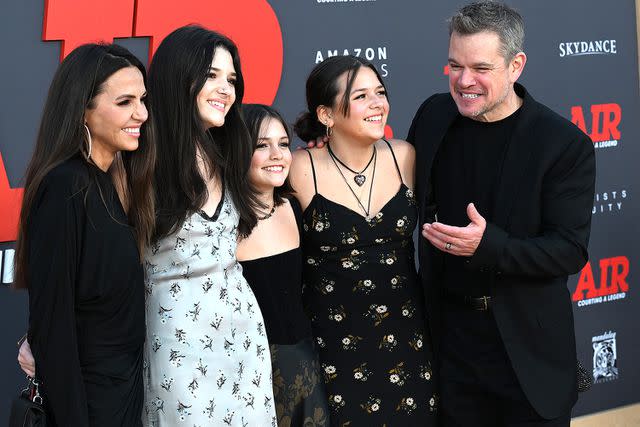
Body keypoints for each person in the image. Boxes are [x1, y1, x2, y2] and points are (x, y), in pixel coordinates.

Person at [409, 2, 596, 426]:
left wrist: (488, 245)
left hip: (525, 357)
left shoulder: (563, 145)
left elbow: (568, 251)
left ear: (516, 66)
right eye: (454, 65)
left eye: (480, 68)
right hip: (449, 348)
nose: (464, 81)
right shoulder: (434, 115)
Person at [290, 56, 437, 426]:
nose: (378, 104)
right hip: (334, 349)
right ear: (326, 115)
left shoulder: (405, 156)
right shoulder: (297, 169)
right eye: (361, 96)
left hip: (409, 341)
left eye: (381, 93)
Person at [13, 43, 155, 426]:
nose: (141, 113)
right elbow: (53, 321)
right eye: (124, 102)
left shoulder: (114, 183)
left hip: (123, 393)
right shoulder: (65, 186)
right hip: (87, 403)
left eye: (143, 99)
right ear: (83, 111)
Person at [142, 26, 276, 426]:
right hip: (176, 341)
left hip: (243, 333)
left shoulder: (229, 152)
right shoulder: (140, 160)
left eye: (231, 79)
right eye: (212, 76)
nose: (225, 89)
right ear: (179, 77)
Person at [237, 104, 330, 427]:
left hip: (304, 362)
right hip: (248, 370)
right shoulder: (220, 223)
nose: (277, 154)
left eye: (283, 143)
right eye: (262, 145)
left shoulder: (294, 205)